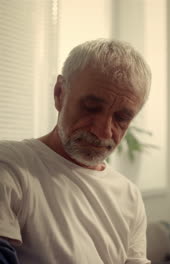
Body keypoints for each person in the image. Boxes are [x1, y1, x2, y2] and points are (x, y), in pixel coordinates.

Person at [0, 39, 152, 264]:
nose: (103, 132)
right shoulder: (10, 167)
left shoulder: (129, 195)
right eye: (91, 108)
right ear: (60, 93)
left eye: (121, 118)